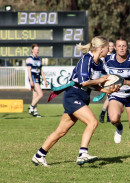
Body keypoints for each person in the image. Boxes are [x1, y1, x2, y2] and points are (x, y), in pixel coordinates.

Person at [32, 36, 119, 167]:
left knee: (61, 131)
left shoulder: (100, 63)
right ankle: (82, 154)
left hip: (82, 97)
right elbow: (84, 81)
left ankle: (39, 155)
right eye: (108, 48)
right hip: (73, 96)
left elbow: (94, 85)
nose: (109, 50)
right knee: (93, 122)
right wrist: (100, 81)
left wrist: (108, 90)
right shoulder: (86, 59)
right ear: (101, 49)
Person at [105, 37, 130, 157]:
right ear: (115, 48)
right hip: (116, 94)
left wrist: (125, 82)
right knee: (113, 119)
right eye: (119, 46)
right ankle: (119, 127)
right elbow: (101, 73)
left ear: (127, 47)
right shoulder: (108, 60)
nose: (122, 48)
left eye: (124, 46)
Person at [27, 44, 48, 117]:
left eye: (38, 49)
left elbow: (41, 70)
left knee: (35, 96)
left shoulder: (39, 59)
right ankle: (31, 107)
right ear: (32, 50)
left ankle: (35, 112)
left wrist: (45, 80)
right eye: (36, 49)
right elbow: (29, 70)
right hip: (33, 77)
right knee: (41, 94)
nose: (37, 51)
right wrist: (30, 80)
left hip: (37, 77)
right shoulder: (30, 58)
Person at [99, 40, 116, 123]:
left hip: (112, 78)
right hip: (106, 78)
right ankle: (103, 114)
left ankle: (107, 115)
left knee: (110, 97)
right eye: (109, 46)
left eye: (112, 46)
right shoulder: (104, 56)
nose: (111, 47)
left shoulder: (114, 56)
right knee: (109, 96)